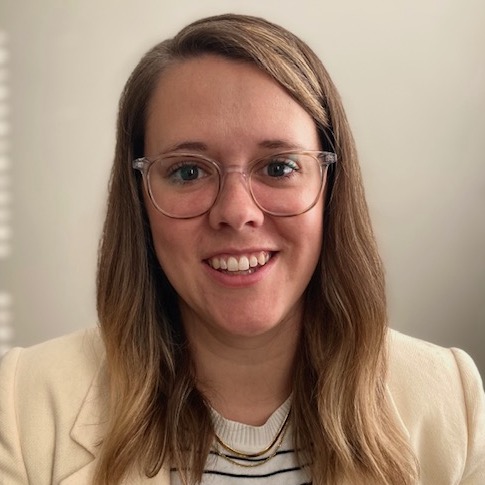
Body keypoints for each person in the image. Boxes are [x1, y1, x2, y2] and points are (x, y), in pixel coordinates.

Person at [0, 13, 484, 485]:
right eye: (188, 171)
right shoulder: (23, 406)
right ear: (139, 199)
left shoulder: (452, 400)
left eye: (278, 167)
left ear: (331, 187)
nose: (236, 212)